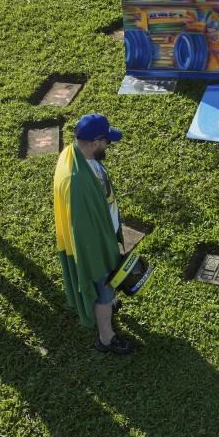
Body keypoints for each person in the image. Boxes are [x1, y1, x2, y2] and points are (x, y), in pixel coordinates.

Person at [53, 114, 138, 354]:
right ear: (94, 142)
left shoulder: (74, 153)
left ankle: (110, 303)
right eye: (106, 141)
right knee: (103, 288)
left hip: (103, 235)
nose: (108, 145)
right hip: (95, 247)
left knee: (107, 290)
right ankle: (106, 339)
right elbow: (84, 233)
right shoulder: (76, 181)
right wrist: (101, 260)